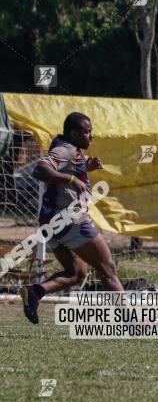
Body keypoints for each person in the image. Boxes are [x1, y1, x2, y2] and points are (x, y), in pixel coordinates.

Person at [20, 112, 122, 324]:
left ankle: (36, 291)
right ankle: (132, 322)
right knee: (108, 269)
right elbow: (40, 169)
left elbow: (65, 171)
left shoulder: (70, 150)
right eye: (87, 132)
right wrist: (72, 178)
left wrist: (85, 167)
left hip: (51, 223)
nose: (91, 137)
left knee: (76, 272)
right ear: (74, 134)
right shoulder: (64, 149)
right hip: (70, 221)